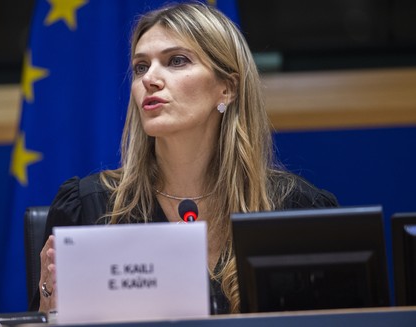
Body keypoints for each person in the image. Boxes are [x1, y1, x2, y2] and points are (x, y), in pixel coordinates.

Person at [32, 2, 338, 315]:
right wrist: (48, 306)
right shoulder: (90, 208)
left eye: (176, 61)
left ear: (227, 89)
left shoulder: (295, 211)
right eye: (140, 67)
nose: (150, 78)